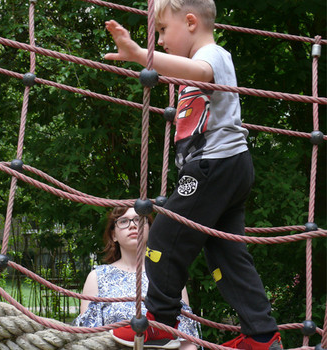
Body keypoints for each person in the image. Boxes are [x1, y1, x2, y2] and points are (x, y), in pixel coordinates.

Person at [104, 0, 284, 349]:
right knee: (226, 255)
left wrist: (143, 54)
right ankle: (262, 336)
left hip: (213, 166)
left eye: (161, 31)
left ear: (190, 22)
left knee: (163, 238)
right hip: (231, 168)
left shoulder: (212, 54)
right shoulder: (197, 61)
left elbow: (200, 73)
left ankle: (161, 320)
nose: (160, 40)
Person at [73, 207, 200, 350]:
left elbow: (186, 339)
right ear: (113, 235)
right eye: (123, 221)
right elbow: (88, 340)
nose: (132, 225)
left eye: (139, 220)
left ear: (150, 230)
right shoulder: (97, 277)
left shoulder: (169, 274)